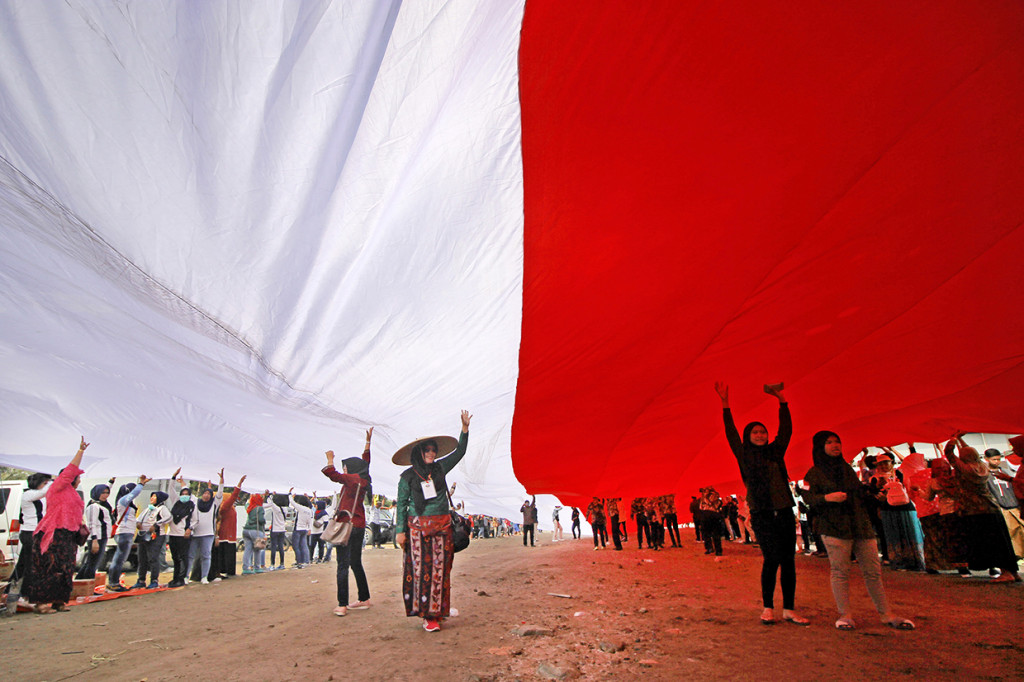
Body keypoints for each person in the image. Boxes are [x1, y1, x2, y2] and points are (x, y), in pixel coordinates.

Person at [715, 381, 808, 625]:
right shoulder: (744, 455)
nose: (760, 435)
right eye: (755, 432)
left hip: (785, 512)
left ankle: (789, 609)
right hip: (763, 513)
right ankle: (768, 607)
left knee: (789, 561)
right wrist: (725, 403)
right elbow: (731, 433)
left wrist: (782, 400)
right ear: (749, 436)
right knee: (771, 559)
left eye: (762, 431)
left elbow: (786, 430)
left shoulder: (776, 452)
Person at [803, 431, 914, 631]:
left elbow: (857, 494)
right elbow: (809, 499)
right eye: (829, 442)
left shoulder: (846, 469)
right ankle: (845, 615)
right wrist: (828, 498)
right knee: (840, 571)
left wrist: (871, 492)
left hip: (860, 524)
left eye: (837, 441)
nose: (835, 445)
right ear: (820, 447)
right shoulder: (814, 473)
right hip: (835, 526)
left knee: (873, 571)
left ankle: (886, 614)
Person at [394, 411, 471, 632]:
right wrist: (400, 531)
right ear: (419, 452)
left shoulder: (440, 468)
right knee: (421, 571)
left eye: (433, 450)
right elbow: (401, 504)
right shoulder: (407, 477)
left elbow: (460, 452)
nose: (431, 452)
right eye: (427, 449)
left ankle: (438, 611)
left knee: (441, 570)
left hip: (443, 526)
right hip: (416, 529)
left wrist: (464, 430)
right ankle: (428, 616)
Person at [23, 438, 88, 613]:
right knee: (48, 568)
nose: (79, 480)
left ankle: (59, 601)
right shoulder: (57, 487)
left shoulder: (73, 494)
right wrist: (80, 451)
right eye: (78, 477)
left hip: (68, 535)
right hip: (52, 534)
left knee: (65, 568)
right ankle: (42, 603)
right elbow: (69, 472)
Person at [944, 435, 1020, 582]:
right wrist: (960, 440)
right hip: (992, 508)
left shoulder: (965, 469)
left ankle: (1006, 573)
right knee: (1002, 541)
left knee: (991, 542)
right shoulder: (983, 467)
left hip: (974, 511)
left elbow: (949, 454)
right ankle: (1012, 571)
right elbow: (969, 454)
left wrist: (953, 439)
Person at [322, 427, 374, 616]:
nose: (344, 469)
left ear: (351, 469)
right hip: (359, 526)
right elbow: (365, 464)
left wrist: (330, 460)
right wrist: (367, 444)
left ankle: (342, 604)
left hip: (346, 526)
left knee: (342, 564)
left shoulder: (352, 479)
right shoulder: (363, 479)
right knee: (355, 563)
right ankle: (364, 598)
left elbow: (332, 474)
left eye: (346, 467)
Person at [6, 472, 52, 602]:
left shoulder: (36, 496)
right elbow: (43, 492)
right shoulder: (28, 494)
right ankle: (25, 594)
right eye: (44, 483)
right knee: (31, 565)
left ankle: (10, 591)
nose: (46, 486)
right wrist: (56, 480)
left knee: (23, 564)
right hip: (30, 533)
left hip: (34, 532)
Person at [187, 470, 224, 584]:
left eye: (208, 493)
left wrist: (221, 481)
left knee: (206, 555)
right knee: (190, 555)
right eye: (205, 493)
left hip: (208, 534)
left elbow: (219, 494)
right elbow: (188, 494)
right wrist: (180, 482)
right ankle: (186, 576)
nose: (206, 495)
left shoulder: (214, 504)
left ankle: (204, 577)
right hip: (195, 533)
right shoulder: (196, 502)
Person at [133, 490, 172, 589]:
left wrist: (156, 525)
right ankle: (141, 580)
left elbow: (168, 518)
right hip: (144, 535)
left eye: (154, 497)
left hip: (156, 536)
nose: (152, 498)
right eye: (151, 496)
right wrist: (138, 523)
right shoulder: (148, 509)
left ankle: (154, 580)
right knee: (142, 558)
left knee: (153, 558)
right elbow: (138, 518)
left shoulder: (162, 508)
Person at [76, 480, 114, 580]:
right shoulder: (94, 506)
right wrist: (94, 540)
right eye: (102, 493)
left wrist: (111, 482)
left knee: (91, 562)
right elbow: (92, 524)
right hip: (97, 537)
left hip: (103, 536)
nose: (105, 495)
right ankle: (87, 585)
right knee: (93, 564)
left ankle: (80, 583)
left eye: (107, 493)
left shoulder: (103, 504)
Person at [214, 474, 245, 579]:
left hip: (229, 534)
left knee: (228, 553)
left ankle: (228, 571)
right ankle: (227, 571)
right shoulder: (225, 506)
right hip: (226, 535)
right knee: (227, 553)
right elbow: (234, 496)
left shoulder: (229, 507)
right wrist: (239, 484)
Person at [167, 477, 195, 587]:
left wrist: (189, 529)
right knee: (175, 557)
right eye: (182, 493)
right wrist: (173, 478)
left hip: (183, 535)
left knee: (183, 557)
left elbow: (195, 520)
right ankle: (175, 578)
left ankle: (182, 578)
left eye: (186, 494)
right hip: (173, 534)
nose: (184, 495)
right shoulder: (176, 502)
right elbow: (170, 489)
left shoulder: (192, 506)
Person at [241, 492, 267, 574]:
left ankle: (245, 568)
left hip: (246, 529)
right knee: (257, 549)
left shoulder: (249, 507)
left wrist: (252, 495)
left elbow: (247, 503)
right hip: (255, 530)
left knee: (247, 550)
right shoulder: (260, 508)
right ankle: (257, 567)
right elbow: (261, 520)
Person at [265, 491, 289, 570]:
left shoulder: (276, 508)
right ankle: (282, 564)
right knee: (281, 547)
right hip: (282, 529)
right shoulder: (285, 509)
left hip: (275, 529)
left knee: (273, 547)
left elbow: (269, 501)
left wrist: (271, 495)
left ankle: (272, 564)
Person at [290, 491, 313, 568]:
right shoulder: (309, 510)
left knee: (296, 546)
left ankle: (299, 562)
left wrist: (290, 495)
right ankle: (306, 561)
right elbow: (310, 521)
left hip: (298, 529)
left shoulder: (300, 508)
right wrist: (309, 529)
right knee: (304, 546)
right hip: (305, 529)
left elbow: (292, 503)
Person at [699, 487, 724, 557]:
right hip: (715, 514)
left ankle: (709, 548)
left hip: (706, 514)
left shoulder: (704, 496)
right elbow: (719, 504)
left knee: (706, 532)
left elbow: (701, 507)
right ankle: (718, 550)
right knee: (716, 533)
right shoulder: (716, 495)